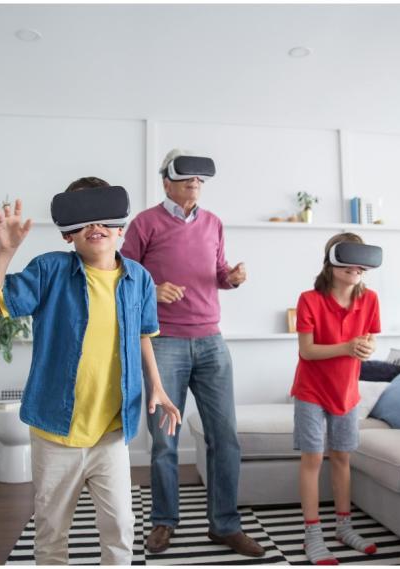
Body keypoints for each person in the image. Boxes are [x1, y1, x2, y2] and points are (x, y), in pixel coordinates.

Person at [0, 177, 181, 565]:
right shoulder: (50, 269)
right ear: (69, 235)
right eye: (82, 218)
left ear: (121, 228)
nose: (95, 225)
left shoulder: (140, 279)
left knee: (120, 525)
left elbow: (142, 337)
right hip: (56, 432)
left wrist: (157, 386)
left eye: (104, 216)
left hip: (110, 432)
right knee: (52, 530)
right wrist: (5, 252)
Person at [120, 149, 263, 557]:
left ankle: (224, 526)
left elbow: (217, 273)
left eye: (200, 180)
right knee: (165, 441)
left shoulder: (214, 223)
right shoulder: (145, 223)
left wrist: (231, 278)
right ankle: (164, 523)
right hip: (163, 342)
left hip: (212, 343)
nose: (195, 185)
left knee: (225, 437)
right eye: (186, 179)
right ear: (167, 182)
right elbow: (122, 274)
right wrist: (153, 287)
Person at [291, 232, 379, 565]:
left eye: (363, 262)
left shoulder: (370, 299)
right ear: (332, 260)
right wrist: (346, 346)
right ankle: (312, 535)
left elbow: (367, 343)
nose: (357, 268)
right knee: (313, 460)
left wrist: (365, 348)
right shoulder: (309, 299)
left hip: (347, 393)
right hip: (312, 391)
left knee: (342, 459)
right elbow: (307, 350)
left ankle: (344, 527)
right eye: (349, 259)